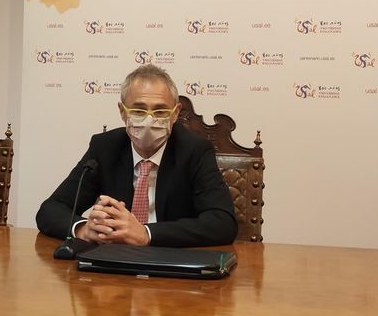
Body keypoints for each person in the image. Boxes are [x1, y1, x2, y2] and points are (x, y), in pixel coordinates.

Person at [36, 64, 237, 247]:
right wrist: (82, 229)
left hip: (170, 263)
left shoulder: (195, 151)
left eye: (160, 111)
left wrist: (146, 233)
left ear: (175, 114)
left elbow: (223, 223)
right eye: (139, 111)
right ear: (122, 112)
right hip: (114, 266)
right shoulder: (105, 147)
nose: (149, 120)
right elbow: (51, 209)